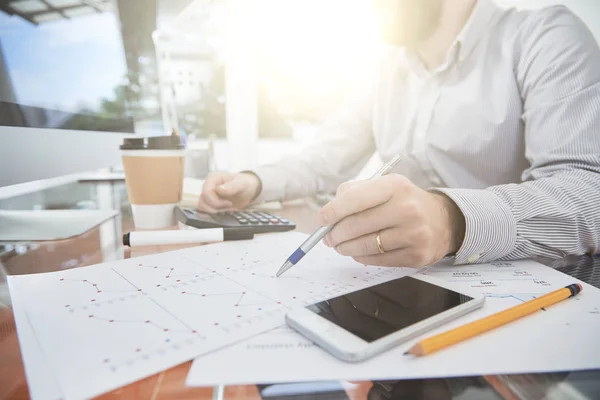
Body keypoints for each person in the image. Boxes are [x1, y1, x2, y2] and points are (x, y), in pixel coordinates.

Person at [198, 0, 600, 268]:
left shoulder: (545, 37)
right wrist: (255, 181)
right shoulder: (384, 67)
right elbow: (327, 156)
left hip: (529, 297)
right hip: (415, 282)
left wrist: (452, 220)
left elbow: (589, 192)